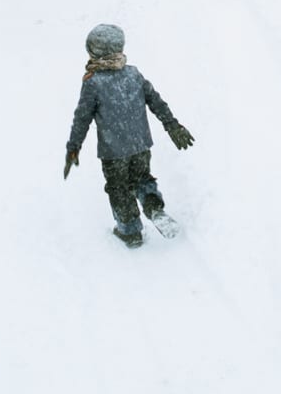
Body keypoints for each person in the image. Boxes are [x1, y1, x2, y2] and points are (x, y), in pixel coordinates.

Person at [64, 23, 195, 248]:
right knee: (143, 178)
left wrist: (74, 146)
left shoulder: (93, 83)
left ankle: (130, 231)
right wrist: (172, 125)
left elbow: (82, 118)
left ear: (94, 52)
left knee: (119, 187)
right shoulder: (133, 74)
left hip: (113, 152)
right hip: (140, 144)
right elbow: (156, 101)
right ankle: (154, 208)